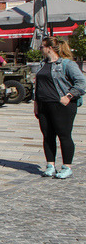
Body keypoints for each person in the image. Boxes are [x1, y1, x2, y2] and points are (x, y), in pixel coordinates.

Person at [34, 37, 86, 178]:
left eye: (42, 47)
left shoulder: (66, 64)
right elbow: (38, 86)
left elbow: (81, 83)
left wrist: (68, 96)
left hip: (61, 105)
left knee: (64, 135)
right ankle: (50, 165)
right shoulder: (42, 64)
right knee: (47, 136)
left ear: (49, 48)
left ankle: (67, 167)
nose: (41, 50)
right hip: (44, 105)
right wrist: (36, 104)